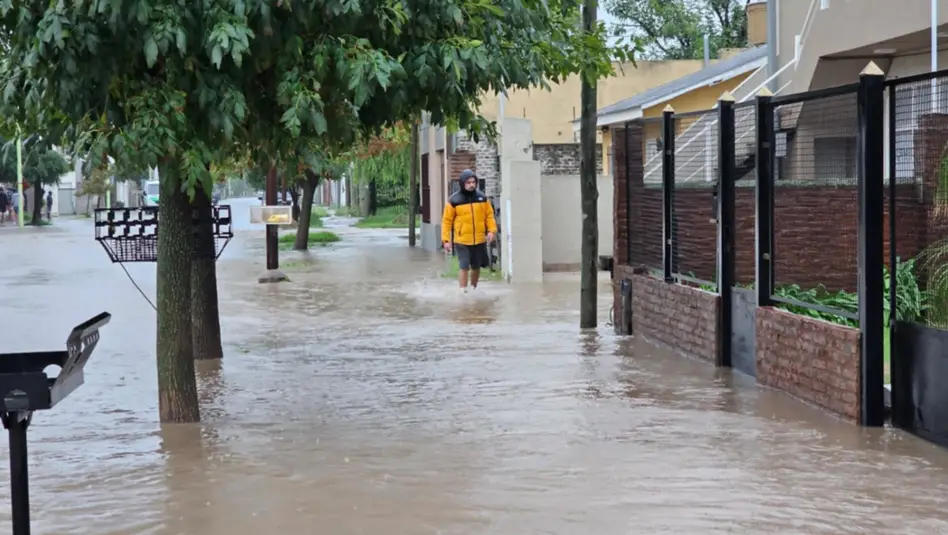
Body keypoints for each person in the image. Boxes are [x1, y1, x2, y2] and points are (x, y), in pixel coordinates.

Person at [442, 169, 497, 292]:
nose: (472, 185)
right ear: (462, 183)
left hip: (479, 239)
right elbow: (446, 221)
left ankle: (473, 289)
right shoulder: (454, 201)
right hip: (462, 240)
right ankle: (462, 291)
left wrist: (491, 231)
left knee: (476, 266)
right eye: (468, 182)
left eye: (473, 182)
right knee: (464, 265)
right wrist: (446, 240)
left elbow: (489, 216)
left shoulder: (482, 198)